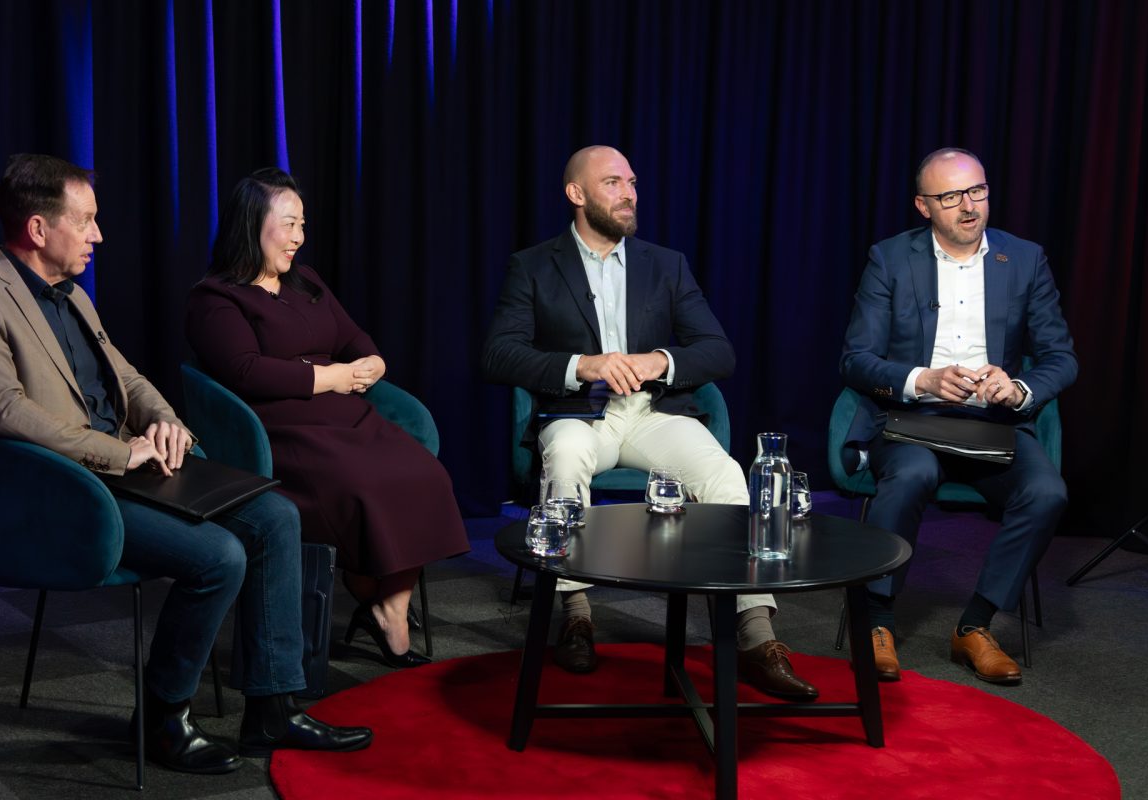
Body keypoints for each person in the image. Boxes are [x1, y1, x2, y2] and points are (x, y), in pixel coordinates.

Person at [0, 154, 372, 775]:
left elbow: (127, 375)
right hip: (67, 489)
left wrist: (166, 421)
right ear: (39, 230)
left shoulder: (72, 296)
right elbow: (3, 411)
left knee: (276, 515)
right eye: (86, 221)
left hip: (128, 466)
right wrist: (119, 452)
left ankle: (273, 709)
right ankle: (161, 715)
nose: (99, 235)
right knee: (219, 555)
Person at [481, 145, 817, 700]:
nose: (629, 192)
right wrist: (578, 366)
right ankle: (576, 615)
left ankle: (755, 635)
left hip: (651, 411)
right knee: (564, 460)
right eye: (612, 182)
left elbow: (719, 351)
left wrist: (660, 361)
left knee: (725, 475)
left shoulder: (667, 263)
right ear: (577, 194)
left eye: (632, 181)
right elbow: (498, 355)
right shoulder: (534, 265)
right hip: (578, 413)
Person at [185, 168, 469, 669]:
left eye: (303, 225)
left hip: (348, 417)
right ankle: (372, 595)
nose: (299, 237)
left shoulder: (306, 282)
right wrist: (331, 378)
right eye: (289, 224)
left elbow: (355, 339)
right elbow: (245, 372)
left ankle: (389, 607)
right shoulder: (217, 298)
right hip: (279, 430)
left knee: (425, 474)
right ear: (252, 224)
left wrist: (374, 363)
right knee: (362, 486)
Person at [840, 147, 1077, 685]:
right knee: (913, 475)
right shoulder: (890, 258)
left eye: (977, 192)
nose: (968, 207)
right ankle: (877, 621)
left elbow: (1061, 357)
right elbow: (855, 359)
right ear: (924, 206)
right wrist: (921, 379)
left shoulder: (1024, 258)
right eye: (950, 197)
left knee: (1047, 493)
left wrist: (1016, 389)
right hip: (911, 421)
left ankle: (976, 625)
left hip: (992, 425)